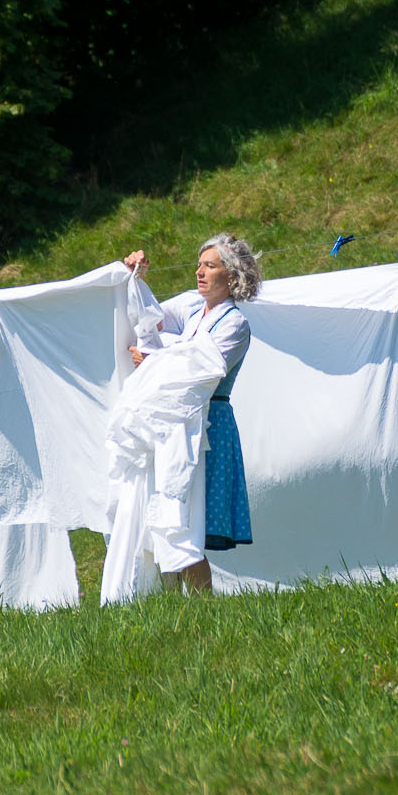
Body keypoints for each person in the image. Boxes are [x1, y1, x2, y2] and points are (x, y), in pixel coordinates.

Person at [119, 233, 261, 592]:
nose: (199, 272)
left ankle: (202, 611)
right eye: (199, 264)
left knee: (189, 524)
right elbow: (148, 318)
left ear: (231, 276)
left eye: (209, 266)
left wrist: (153, 362)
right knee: (168, 516)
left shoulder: (235, 325)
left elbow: (202, 369)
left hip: (209, 425)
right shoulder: (192, 308)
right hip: (174, 425)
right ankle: (169, 605)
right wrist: (135, 277)